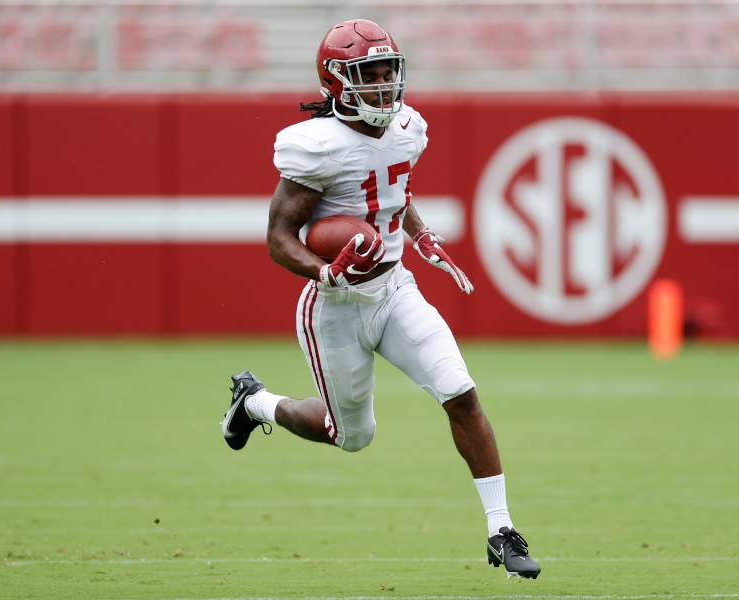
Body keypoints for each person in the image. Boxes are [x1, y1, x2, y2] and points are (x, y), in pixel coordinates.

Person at [220, 18, 541, 580]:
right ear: (337, 81)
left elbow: (393, 191)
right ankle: (254, 403)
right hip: (336, 307)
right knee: (351, 437)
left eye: (390, 71)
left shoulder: (408, 127)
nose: (385, 86)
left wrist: (418, 235)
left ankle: (502, 531)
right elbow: (279, 238)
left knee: (460, 391)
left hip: (395, 290)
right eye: (370, 74)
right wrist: (323, 272)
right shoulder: (314, 146)